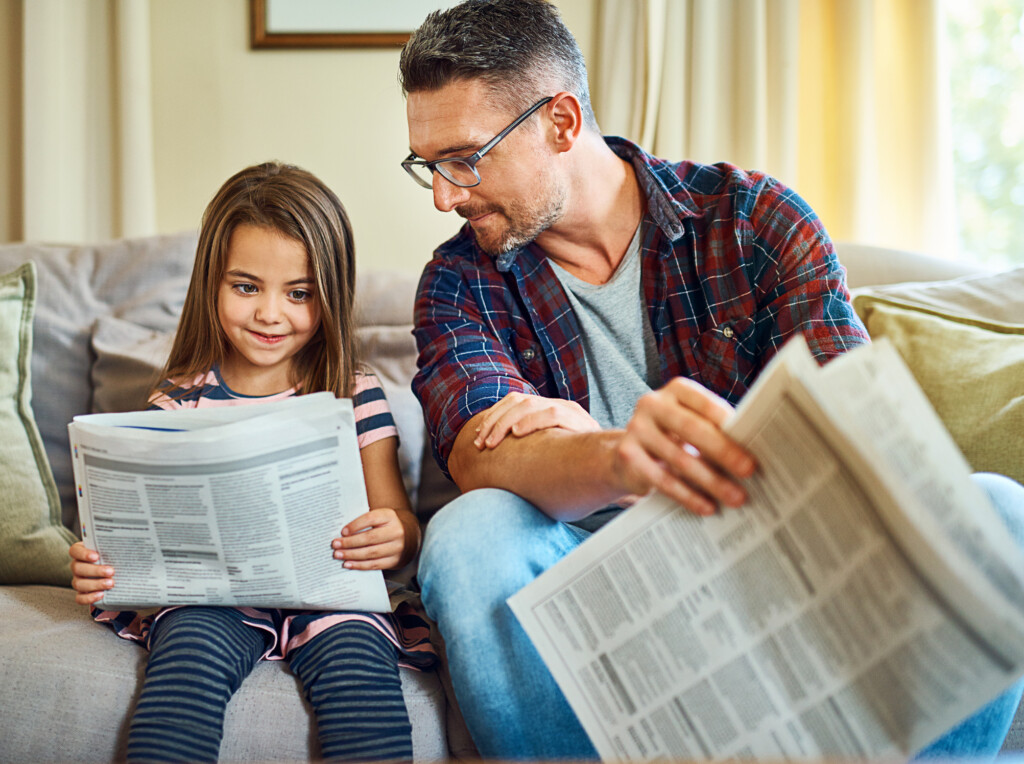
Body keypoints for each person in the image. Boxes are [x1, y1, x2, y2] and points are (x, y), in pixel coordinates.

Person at [397, 0, 1024, 760]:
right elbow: (478, 455)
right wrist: (617, 456)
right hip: (584, 589)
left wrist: (593, 447)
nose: (444, 195)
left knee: (1001, 510)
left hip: (774, 556)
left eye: (466, 158)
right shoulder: (459, 281)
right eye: (429, 166)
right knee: (468, 533)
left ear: (560, 123)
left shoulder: (754, 220)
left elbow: (852, 427)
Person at [68, 162, 435, 763]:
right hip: (213, 599)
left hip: (333, 595)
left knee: (362, 684)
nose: (270, 313)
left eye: (299, 294)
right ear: (210, 283)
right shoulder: (177, 402)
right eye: (246, 287)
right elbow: (137, 539)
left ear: (330, 295)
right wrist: (101, 565)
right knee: (182, 668)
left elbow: (397, 518)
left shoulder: (353, 391)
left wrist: (397, 535)